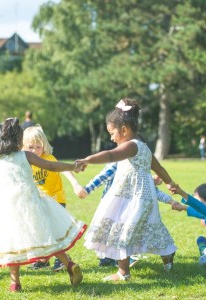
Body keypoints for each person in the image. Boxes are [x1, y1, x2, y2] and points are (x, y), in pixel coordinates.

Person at [76, 98, 178, 281]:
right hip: (144, 196)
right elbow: (159, 168)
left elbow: (110, 155)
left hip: (133, 197)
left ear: (124, 129)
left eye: (112, 133)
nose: (111, 138)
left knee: (122, 228)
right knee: (149, 227)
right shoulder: (144, 147)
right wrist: (169, 182)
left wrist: (87, 160)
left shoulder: (130, 146)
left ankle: (123, 272)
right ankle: (167, 255)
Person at [0, 118, 87, 292]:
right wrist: (73, 166)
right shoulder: (25, 156)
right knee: (48, 235)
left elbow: (5, 178)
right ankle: (69, 264)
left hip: (7, 209)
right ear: (17, 141)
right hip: (32, 203)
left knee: (12, 243)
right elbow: (51, 165)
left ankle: (15, 283)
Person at [78, 163, 175, 268]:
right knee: (112, 232)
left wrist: (87, 189)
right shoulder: (123, 162)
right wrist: (87, 189)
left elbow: (104, 176)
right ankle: (111, 258)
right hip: (120, 205)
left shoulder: (127, 162)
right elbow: (104, 176)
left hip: (122, 206)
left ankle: (124, 258)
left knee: (121, 232)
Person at [22, 124, 85, 272]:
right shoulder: (26, 161)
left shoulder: (49, 158)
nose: (34, 151)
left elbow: (64, 170)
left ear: (44, 145)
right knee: (40, 230)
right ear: (24, 146)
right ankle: (43, 260)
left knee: (54, 231)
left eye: (38, 147)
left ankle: (62, 260)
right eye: (30, 147)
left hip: (56, 200)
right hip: (39, 201)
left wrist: (75, 184)